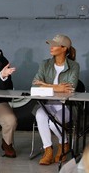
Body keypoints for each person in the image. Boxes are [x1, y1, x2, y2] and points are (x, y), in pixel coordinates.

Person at [32, 34, 79, 165]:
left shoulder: (74, 66)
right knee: (40, 114)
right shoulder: (45, 64)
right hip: (47, 104)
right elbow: (35, 84)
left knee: (53, 123)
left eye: (54, 45)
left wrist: (46, 85)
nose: (51, 47)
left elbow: (70, 88)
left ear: (64, 48)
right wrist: (57, 87)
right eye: (50, 45)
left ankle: (63, 145)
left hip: (67, 106)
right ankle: (48, 150)